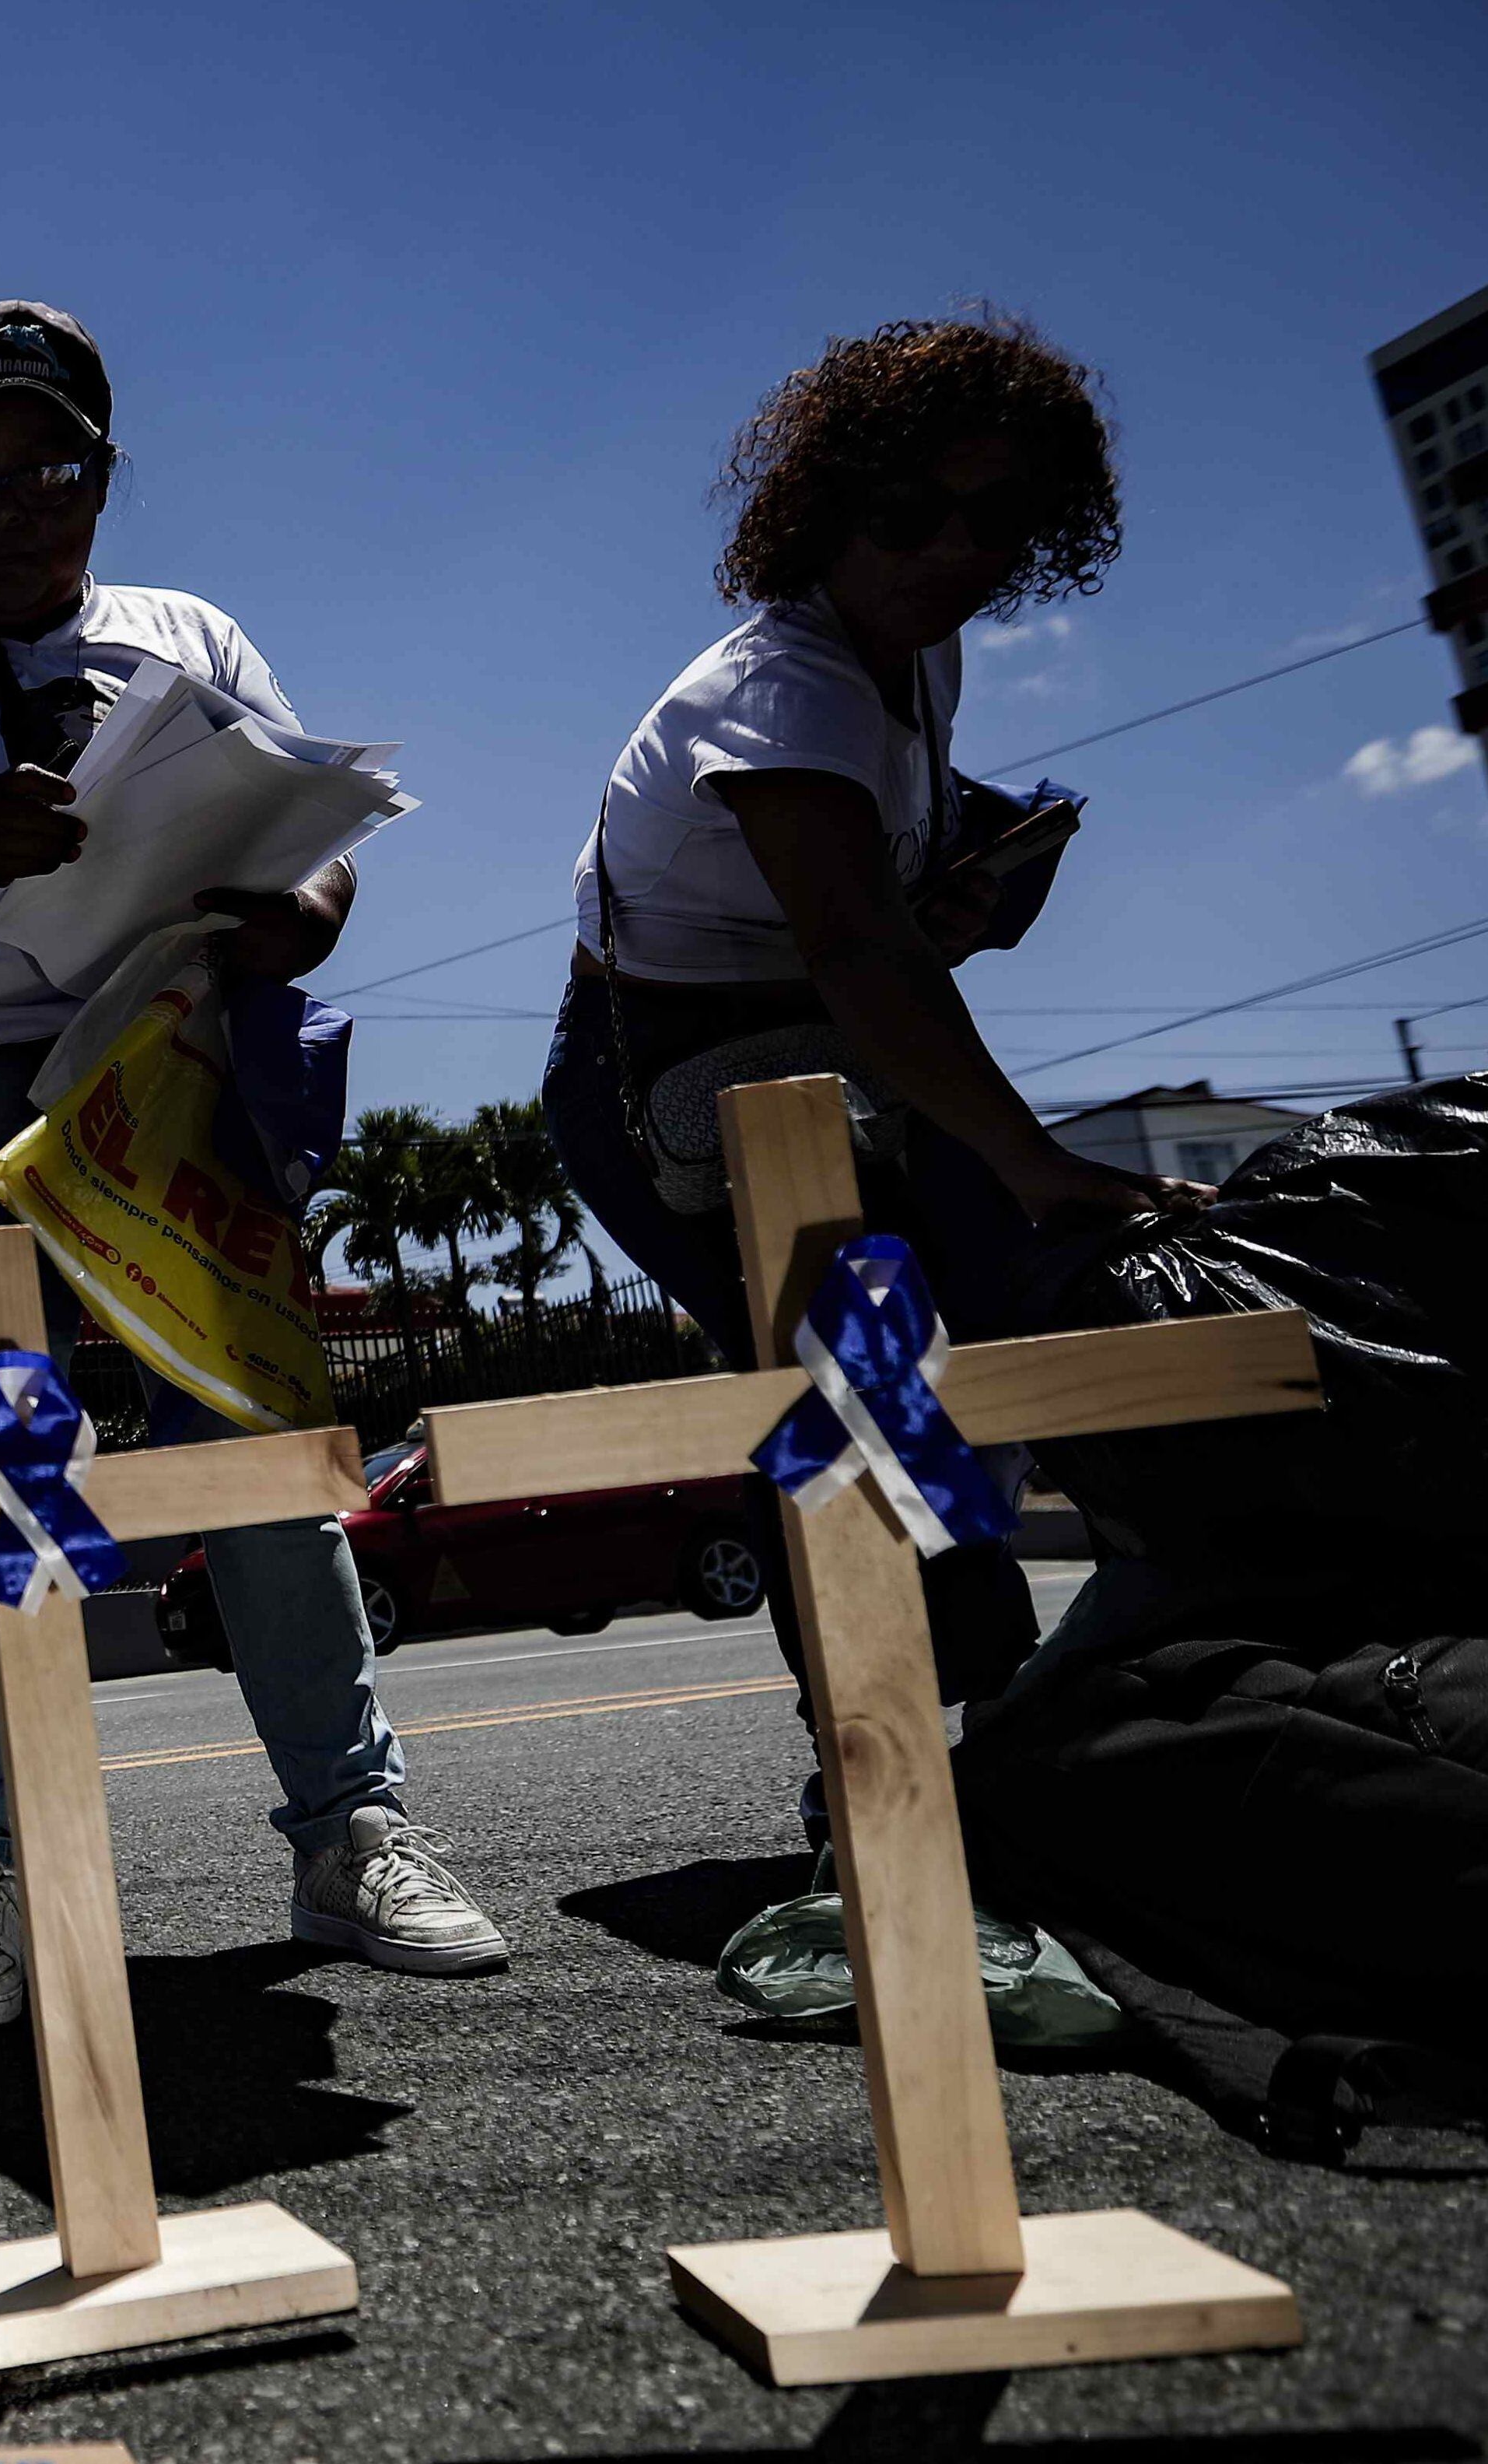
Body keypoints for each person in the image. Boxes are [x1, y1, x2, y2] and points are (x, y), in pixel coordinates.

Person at [0, 300, 506, 2028]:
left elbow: (312, 823)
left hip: (167, 1083)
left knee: (257, 1447)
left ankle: (349, 1825)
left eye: (48, 466)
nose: (5, 502)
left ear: (105, 478)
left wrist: (304, 909)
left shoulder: (190, 630)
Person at [537, 312, 1199, 1729]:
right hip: (666, 1072)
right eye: (909, 511)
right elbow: (856, 955)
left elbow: (873, 930)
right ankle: (891, 1766)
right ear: (828, 513)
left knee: (1056, 1303)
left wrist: (948, 890)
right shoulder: (785, 688)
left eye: (999, 516)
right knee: (857, 1379)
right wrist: (1039, 1164)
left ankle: (1074, 1702)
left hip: (839, 1050)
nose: (954, 548)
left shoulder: (918, 651)